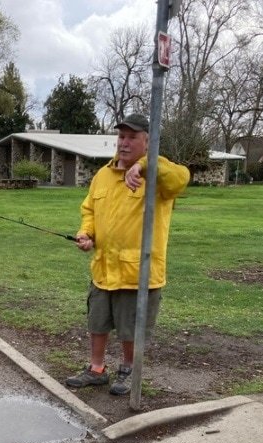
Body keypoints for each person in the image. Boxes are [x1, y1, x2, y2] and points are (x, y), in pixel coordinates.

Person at [65, 113, 190, 395]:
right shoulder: (102, 176)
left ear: (148, 142)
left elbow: (182, 179)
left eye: (132, 137)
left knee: (130, 327)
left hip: (138, 272)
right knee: (97, 322)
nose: (124, 142)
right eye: (122, 136)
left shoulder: (159, 174)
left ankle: (129, 370)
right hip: (104, 267)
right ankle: (96, 369)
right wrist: (87, 234)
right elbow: (90, 211)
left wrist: (144, 167)